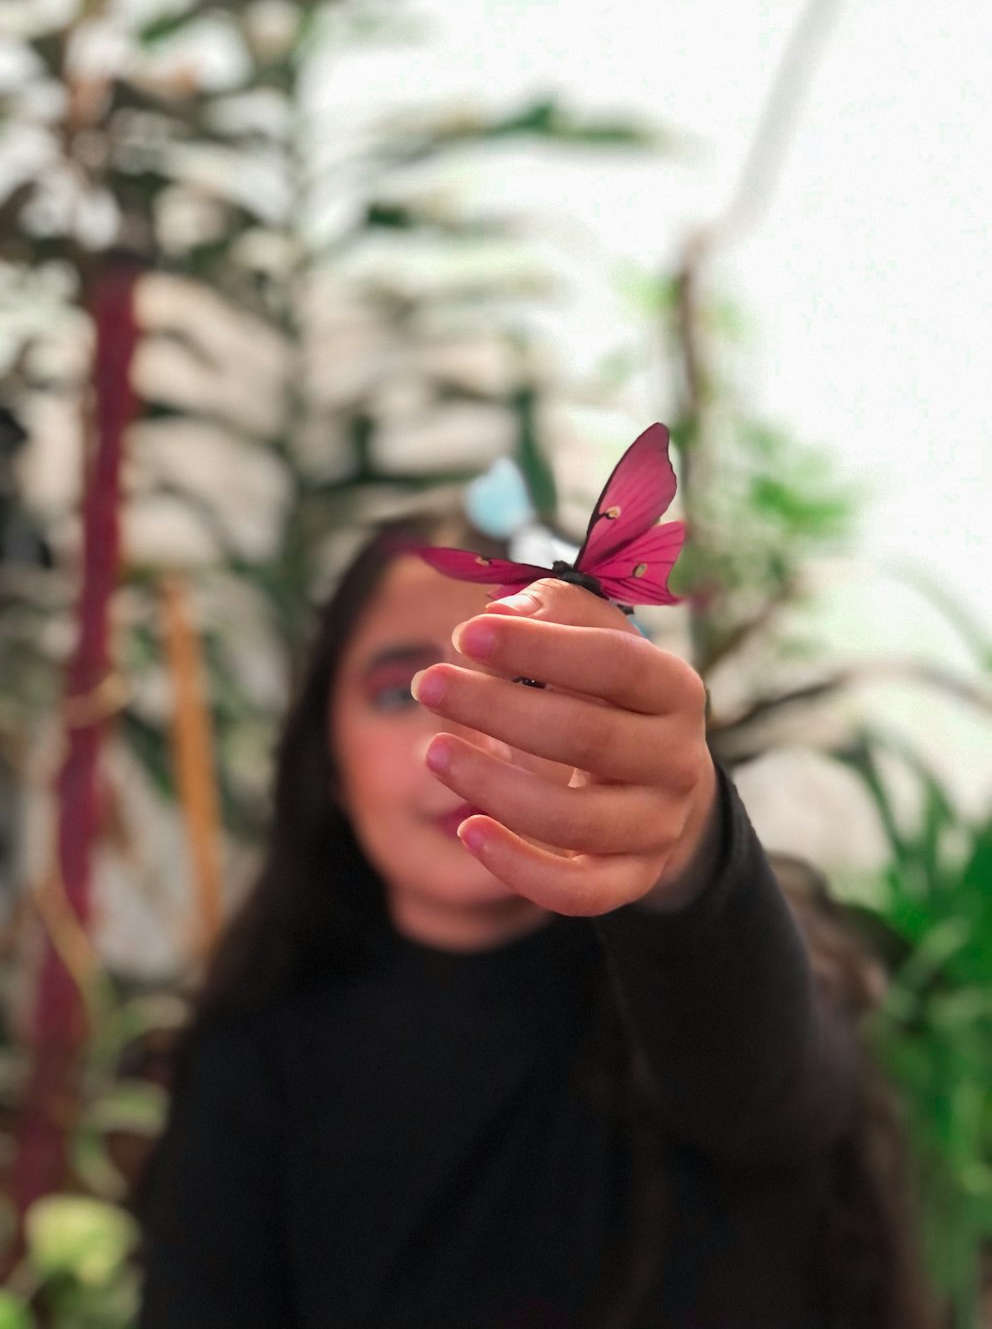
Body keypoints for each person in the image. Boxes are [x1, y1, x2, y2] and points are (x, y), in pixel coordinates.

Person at [136, 512, 936, 1329]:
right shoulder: (257, 1055)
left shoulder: (702, 985)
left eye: (526, 682)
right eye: (394, 690)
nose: (463, 730)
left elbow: (773, 1084)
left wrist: (689, 842)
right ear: (328, 762)